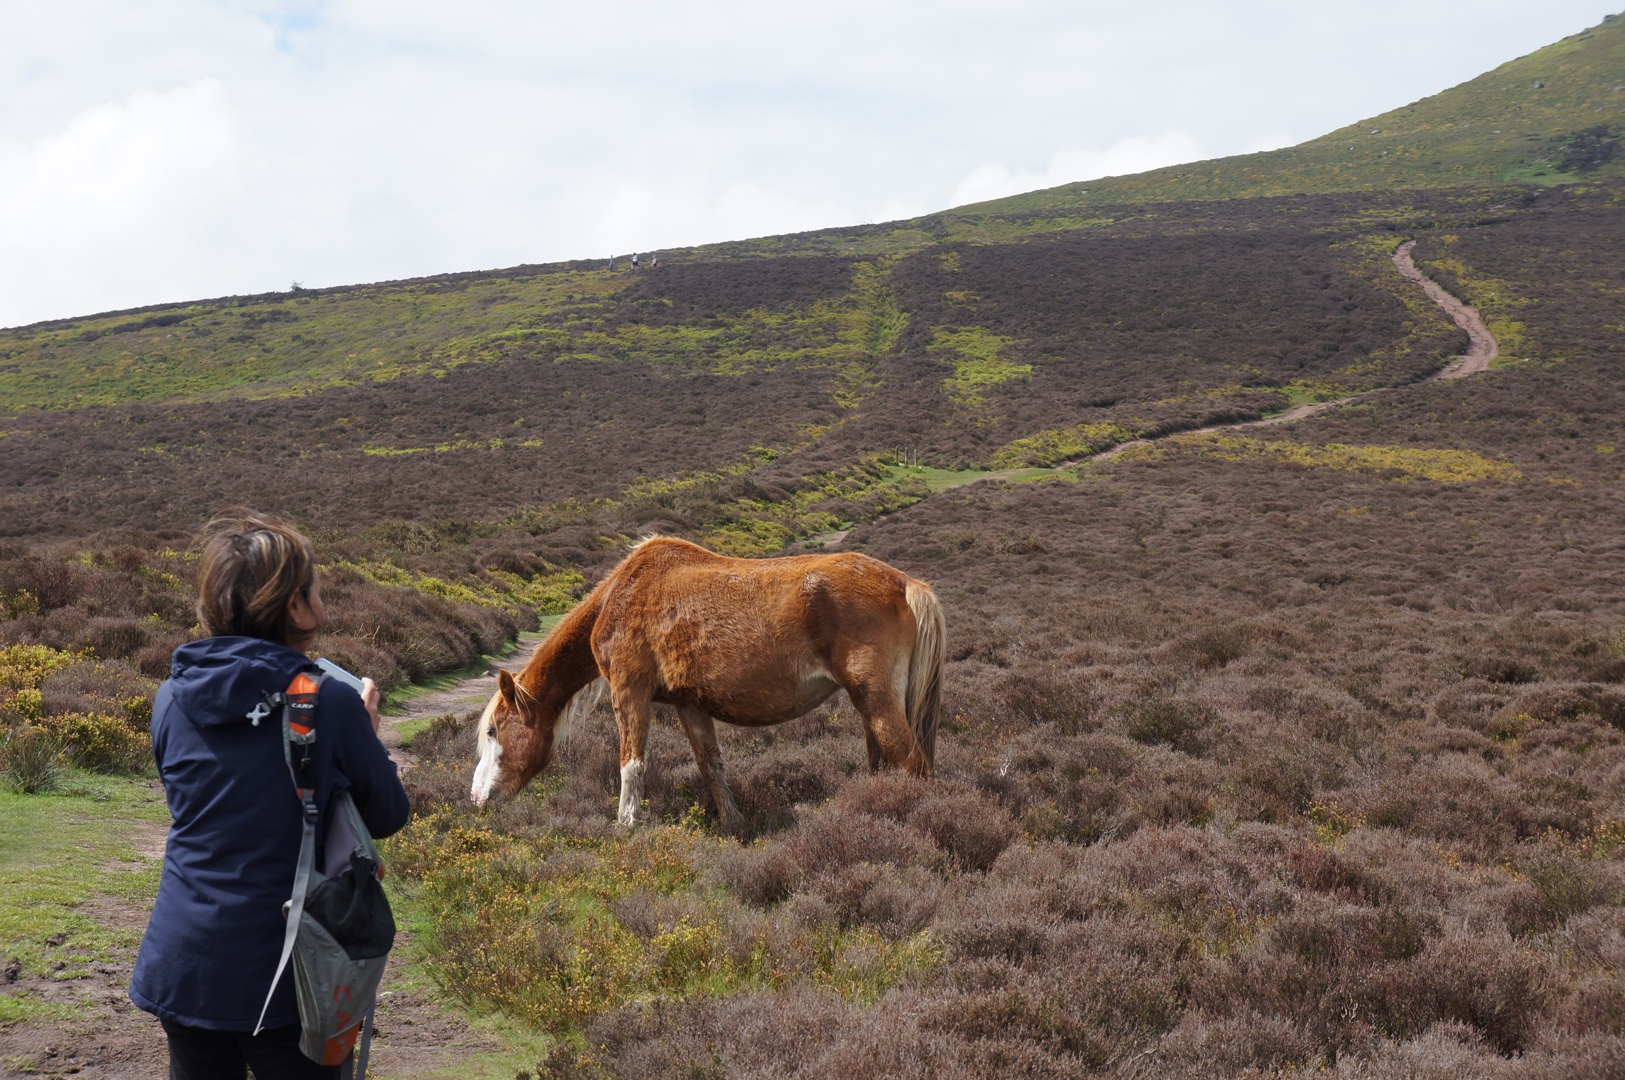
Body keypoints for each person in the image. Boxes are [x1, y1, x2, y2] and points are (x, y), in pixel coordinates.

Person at [130, 511, 410, 1080]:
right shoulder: (326, 703)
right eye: (316, 590)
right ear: (293, 607)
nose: (322, 603)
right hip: (291, 976)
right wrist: (368, 738)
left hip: (185, 963)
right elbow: (387, 815)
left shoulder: (170, 698)